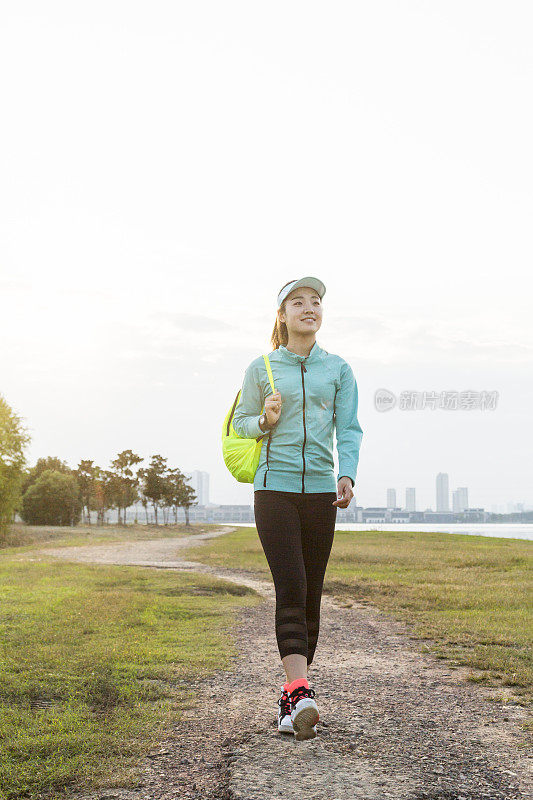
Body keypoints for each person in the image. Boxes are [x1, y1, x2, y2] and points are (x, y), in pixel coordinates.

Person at [232, 277, 363, 741]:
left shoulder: (338, 369)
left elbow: (349, 428)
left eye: (316, 302)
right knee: (292, 583)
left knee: (311, 595)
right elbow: (239, 422)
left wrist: (347, 473)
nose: (310, 307)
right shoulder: (262, 366)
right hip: (275, 490)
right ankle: (302, 692)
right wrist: (263, 420)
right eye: (298, 302)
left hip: (321, 494)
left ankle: (292, 697)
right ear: (283, 316)